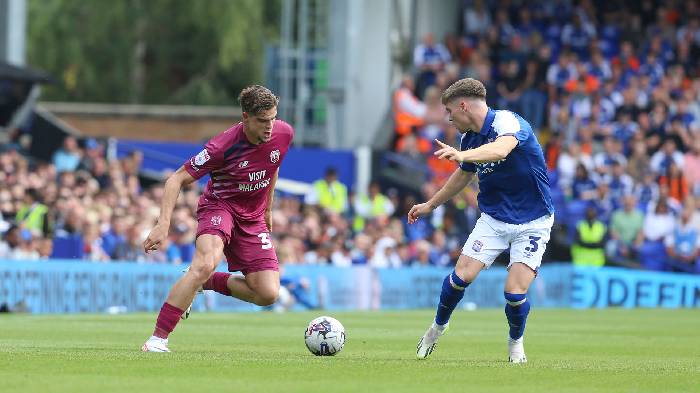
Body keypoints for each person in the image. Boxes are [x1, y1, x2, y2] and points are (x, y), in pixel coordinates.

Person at [408, 78, 553, 363]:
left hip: (534, 220)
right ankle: (437, 328)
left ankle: (515, 344)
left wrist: (462, 154)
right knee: (461, 276)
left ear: (463, 105)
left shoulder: (508, 123)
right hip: (494, 219)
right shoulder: (469, 139)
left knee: (514, 292)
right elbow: (463, 175)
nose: (448, 118)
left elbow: (500, 150)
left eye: (450, 111)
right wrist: (430, 205)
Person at [141, 85, 294, 352]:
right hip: (220, 207)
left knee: (268, 293)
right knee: (205, 263)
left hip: (253, 217)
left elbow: (273, 166)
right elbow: (176, 179)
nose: (270, 127)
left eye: (273, 118)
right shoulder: (222, 146)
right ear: (245, 117)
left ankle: (204, 282)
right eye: (262, 121)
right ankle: (157, 339)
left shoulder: (284, 133)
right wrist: (162, 223)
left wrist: (268, 209)